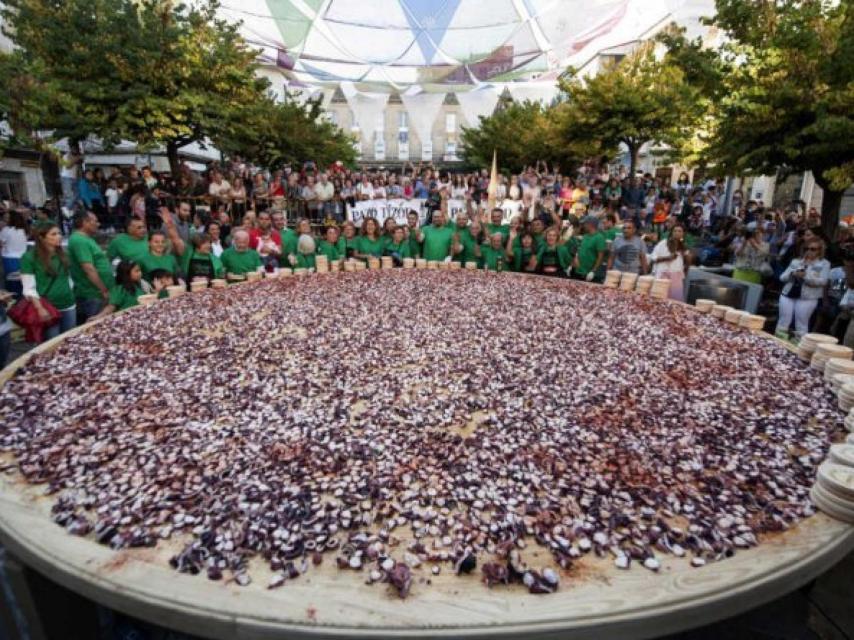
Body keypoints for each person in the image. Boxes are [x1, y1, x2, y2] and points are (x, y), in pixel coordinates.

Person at [20, 223, 76, 340]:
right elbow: (28, 287)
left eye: (59, 233)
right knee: (52, 343)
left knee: (70, 340)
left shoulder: (64, 254)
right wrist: (40, 308)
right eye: (53, 234)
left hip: (68, 304)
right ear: (41, 237)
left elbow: (69, 278)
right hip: (48, 307)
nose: (59, 236)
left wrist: (71, 292)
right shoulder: (29, 257)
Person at [776, 239, 831, 341]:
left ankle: (798, 347)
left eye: (813, 249)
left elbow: (823, 282)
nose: (809, 251)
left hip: (808, 297)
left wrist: (806, 276)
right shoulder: (796, 261)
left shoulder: (824, 264)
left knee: (801, 324)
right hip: (788, 294)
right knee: (783, 320)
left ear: (820, 250)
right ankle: (778, 342)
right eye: (806, 248)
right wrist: (792, 273)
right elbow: (782, 277)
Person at [68, 211, 115, 322]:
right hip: (93, 294)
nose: (98, 224)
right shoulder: (79, 241)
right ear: (85, 222)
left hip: (98, 293)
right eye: (95, 221)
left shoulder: (87, 239)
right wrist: (103, 290)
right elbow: (88, 268)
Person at [650, 223, 689, 301]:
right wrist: (667, 258)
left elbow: (686, 264)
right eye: (675, 231)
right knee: (659, 300)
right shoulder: (663, 243)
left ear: (683, 234)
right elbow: (653, 257)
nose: (677, 233)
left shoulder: (684, 247)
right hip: (662, 275)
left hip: (676, 277)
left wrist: (687, 263)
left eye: (680, 231)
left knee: (675, 302)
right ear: (671, 232)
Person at [0, 210, 28, 296]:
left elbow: (1, 243)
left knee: (12, 283)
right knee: (22, 283)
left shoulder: (6, 230)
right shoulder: (24, 229)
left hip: (9, 259)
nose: (5, 219)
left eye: (6, 218)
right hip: (23, 258)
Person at [573, 216, 606, 282]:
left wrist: (593, 271)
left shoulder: (599, 238)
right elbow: (580, 250)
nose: (583, 226)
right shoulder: (585, 236)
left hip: (588, 274)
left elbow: (600, 257)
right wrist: (575, 259)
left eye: (584, 224)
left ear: (590, 224)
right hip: (578, 271)